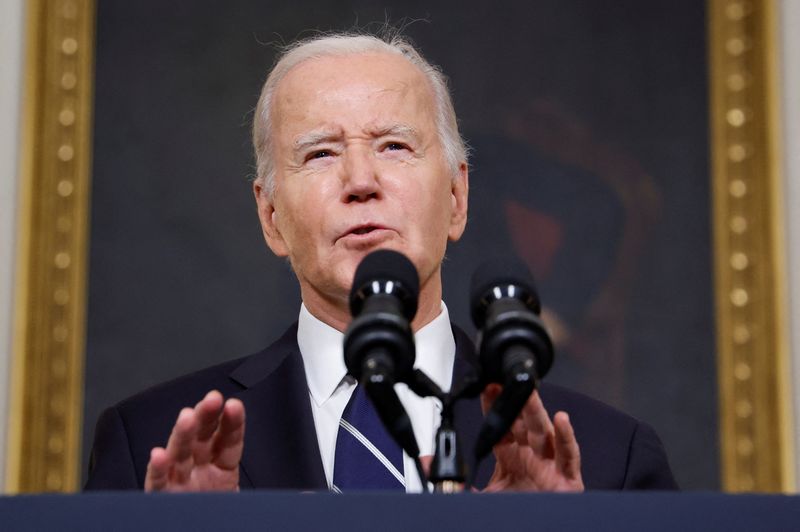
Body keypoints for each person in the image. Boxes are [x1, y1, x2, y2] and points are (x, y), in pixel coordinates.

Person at [85, 31, 677, 492]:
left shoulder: (610, 459)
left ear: (456, 198)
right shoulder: (151, 447)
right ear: (271, 217)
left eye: (395, 146)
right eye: (320, 153)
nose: (361, 181)